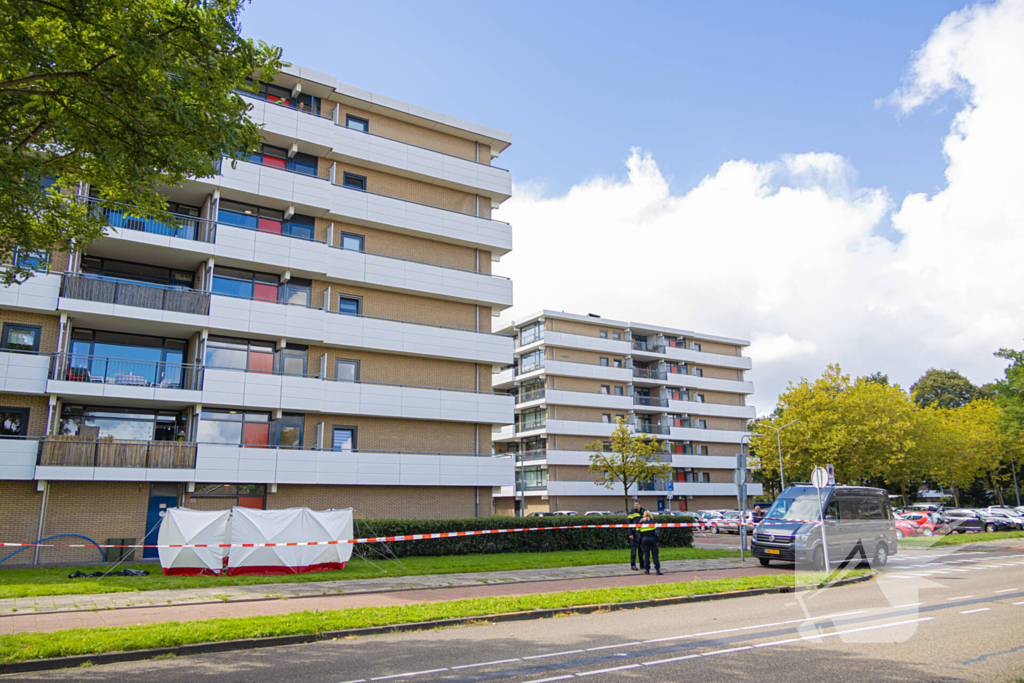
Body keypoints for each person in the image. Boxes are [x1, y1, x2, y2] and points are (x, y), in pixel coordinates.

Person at [627, 500, 645, 571]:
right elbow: (629, 524)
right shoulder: (632, 513)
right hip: (634, 533)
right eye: (635, 504)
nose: (636, 506)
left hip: (642, 533)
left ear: (640, 505)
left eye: (637, 504)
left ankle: (642, 564)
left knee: (641, 549)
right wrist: (630, 533)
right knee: (634, 550)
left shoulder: (644, 511)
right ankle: (633, 565)